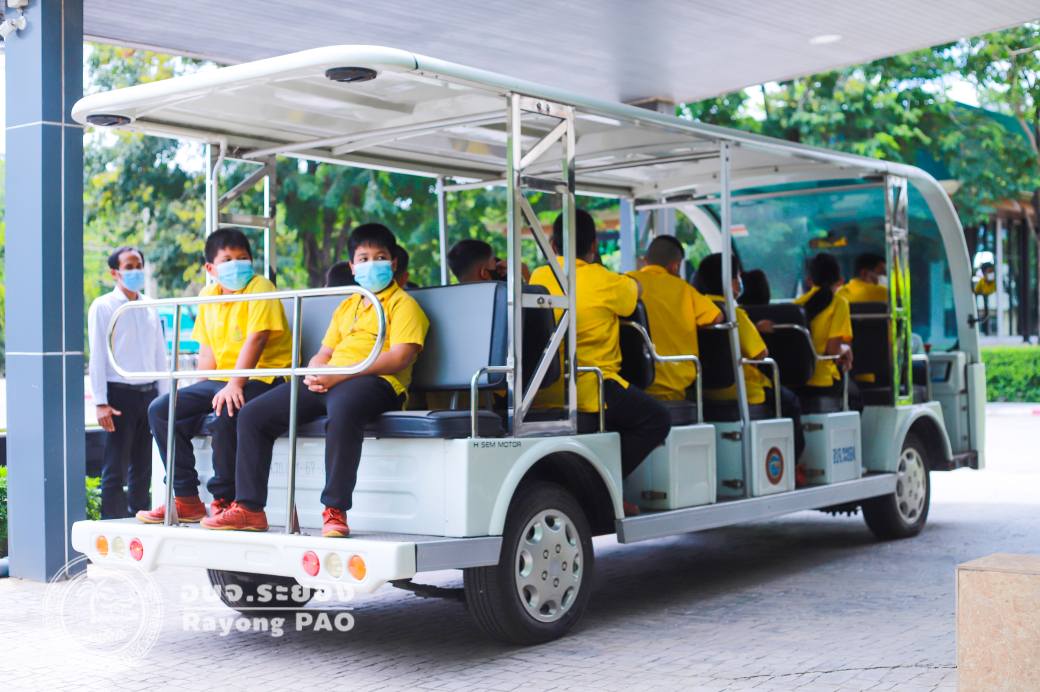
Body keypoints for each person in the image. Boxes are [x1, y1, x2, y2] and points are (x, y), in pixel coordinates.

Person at [203, 223, 429, 537]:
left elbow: (401, 357)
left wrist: (340, 374)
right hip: (333, 379)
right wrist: (316, 371)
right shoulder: (348, 305)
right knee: (253, 414)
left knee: (344, 409)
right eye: (363, 259)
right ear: (352, 267)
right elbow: (324, 352)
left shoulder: (404, 305)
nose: (371, 264)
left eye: (380, 258)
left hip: (378, 381)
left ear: (393, 263)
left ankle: (335, 510)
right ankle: (250, 508)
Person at [137, 228, 293, 524]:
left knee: (227, 409)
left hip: (265, 377)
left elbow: (257, 338)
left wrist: (235, 384)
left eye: (242, 258)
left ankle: (225, 499)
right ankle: (186, 499)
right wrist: (197, 397)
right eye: (228, 259)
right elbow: (207, 352)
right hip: (222, 380)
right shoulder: (207, 296)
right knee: (162, 409)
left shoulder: (261, 287)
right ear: (210, 268)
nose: (237, 264)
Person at [530, 210, 670, 512]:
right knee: (657, 419)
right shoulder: (606, 281)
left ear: (553, 245)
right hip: (593, 388)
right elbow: (636, 293)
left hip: (541, 389)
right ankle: (602, 486)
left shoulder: (539, 276)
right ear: (594, 245)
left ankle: (603, 487)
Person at [694, 253, 805, 460]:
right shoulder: (735, 314)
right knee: (791, 402)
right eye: (736, 276)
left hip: (703, 390)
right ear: (731, 283)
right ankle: (794, 461)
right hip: (742, 389)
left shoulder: (696, 309)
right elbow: (760, 354)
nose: (739, 281)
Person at [87, 246, 169, 519]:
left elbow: (160, 353)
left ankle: (139, 518)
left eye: (139, 266)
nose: (136, 271)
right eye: (129, 266)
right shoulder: (103, 306)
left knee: (143, 464)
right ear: (115, 272)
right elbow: (98, 355)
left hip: (149, 395)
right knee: (115, 465)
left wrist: (165, 397)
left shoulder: (149, 306)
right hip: (119, 394)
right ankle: (112, 523)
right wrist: (101, 402)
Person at [626, 235, 722, 401]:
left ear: (645, 260)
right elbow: (717, 316)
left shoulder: (627, 282)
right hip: (673, 384)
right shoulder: (684, 289)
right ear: (675, 266)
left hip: (633, 381)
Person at [793, 253, 861, 411]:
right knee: (856, 398)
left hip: (797, 380)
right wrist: (845, 349)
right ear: (839, 280)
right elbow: (832, 351)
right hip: (823, 380)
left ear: (810, 279)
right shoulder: (839, 303)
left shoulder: (797, 304)